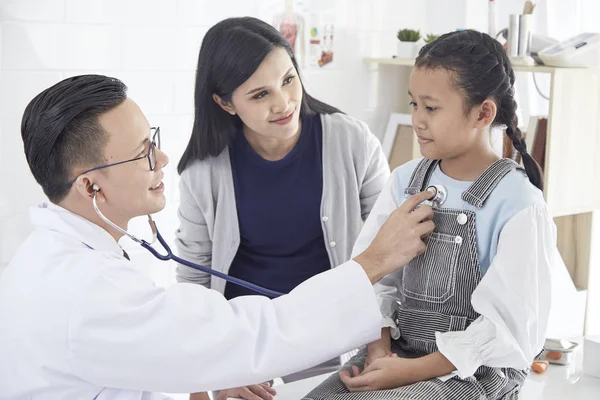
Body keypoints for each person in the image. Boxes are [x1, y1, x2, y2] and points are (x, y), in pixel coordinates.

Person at [0, 74, 435, 400]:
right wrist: (374, 262)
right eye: (142, 152)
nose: (162, 157)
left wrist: (206, 368)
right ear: (91, 186)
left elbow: (134, 356)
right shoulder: (85, 290)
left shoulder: (51, 254)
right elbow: (253, 335)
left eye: (153, 139)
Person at [303, 30, 558, 400]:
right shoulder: (404, 181)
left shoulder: (516, 201)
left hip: (473, 374)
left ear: (483, 112)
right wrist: (379, 351)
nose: (418, 120)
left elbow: (510, 330)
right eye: (414, 105)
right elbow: (374, 279)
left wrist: (409, 372)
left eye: (432, 108)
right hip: (396, 351)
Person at [174, 17, 390, 398]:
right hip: (246, 348)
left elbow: (390, 250)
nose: (283, 103)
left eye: (288, 80)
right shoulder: (201, 172)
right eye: (260, 95)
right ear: (224, 102)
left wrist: (379, 342)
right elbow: (194, 283)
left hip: (334, 337)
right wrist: (208, 376)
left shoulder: (351, 141)